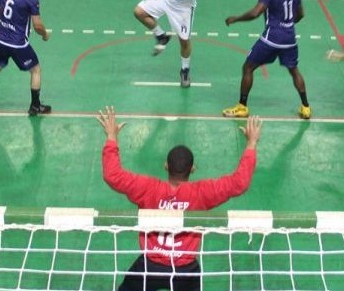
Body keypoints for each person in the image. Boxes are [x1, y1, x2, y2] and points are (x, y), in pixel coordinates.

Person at [98, 106, 261, 291]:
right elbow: (239, 182)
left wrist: (111, 137)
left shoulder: (147, 188)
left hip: (150, 267)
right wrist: (251, 144)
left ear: (166, 166)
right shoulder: (202, 193)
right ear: (192, 169)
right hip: (185, 270)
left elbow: (112, 175)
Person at [222, 0, 311, 119]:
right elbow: (300, 14)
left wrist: (236, 18)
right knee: (294, 71)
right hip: (290, 39)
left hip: (271, 39)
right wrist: (287, 24)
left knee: (248, 67)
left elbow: (255, 13)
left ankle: (242, 107)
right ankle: (306, 107)